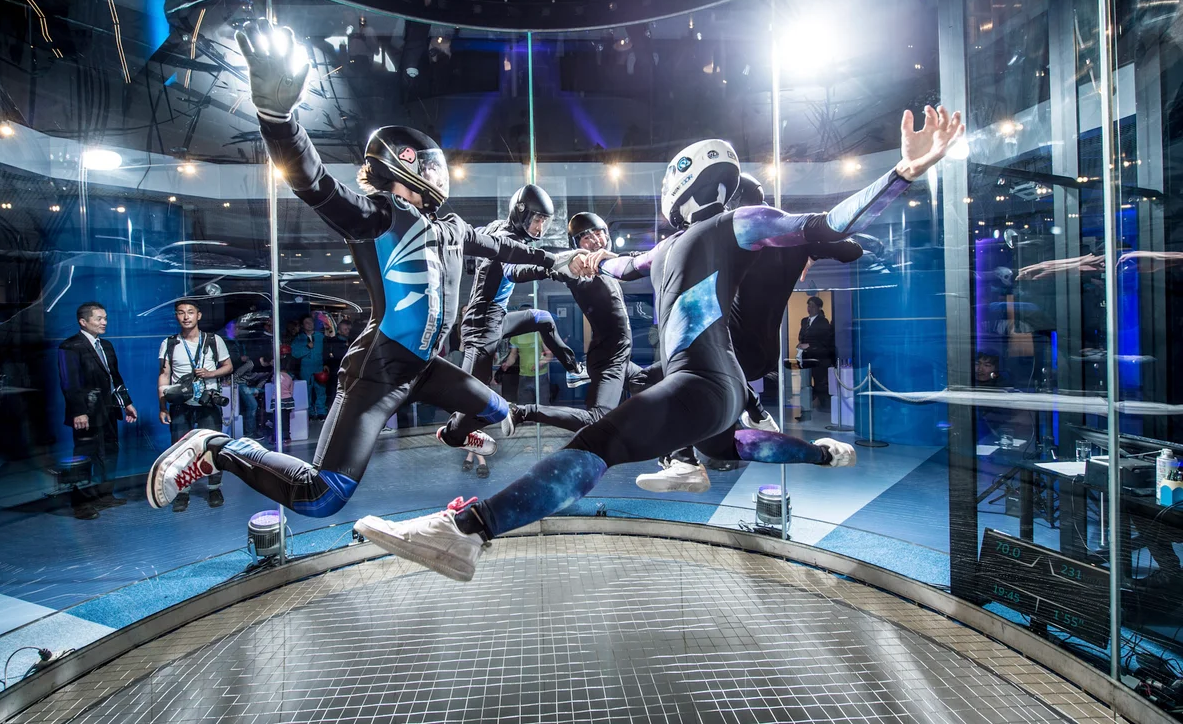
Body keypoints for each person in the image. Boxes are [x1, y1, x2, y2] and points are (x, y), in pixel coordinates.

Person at [355, 104, 964, 581]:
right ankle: (819, 454)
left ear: (682, 184)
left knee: (596, 444)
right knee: (731, 443)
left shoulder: (735, 223)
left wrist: (903, 172)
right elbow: (619, 266)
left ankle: (467, 532)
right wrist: (582, 259)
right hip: (718, 388)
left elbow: (826, 224)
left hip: (701, 381)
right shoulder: (669, 247)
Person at [145, 18, 591, 518]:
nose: (436, 172)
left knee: (499, 411)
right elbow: (313, 182)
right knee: (322, 496)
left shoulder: (449, 226)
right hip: (379, 370)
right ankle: (218, 448)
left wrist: (557, 259)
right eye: (428, 163)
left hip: (423, 366)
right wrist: (278, 118)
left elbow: (503, 247)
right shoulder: (378, 215)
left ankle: (456, 434)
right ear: (404, 164)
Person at [638, 174, 866, 479]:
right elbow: (853, 249)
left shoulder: (735, 238)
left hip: (733, 350)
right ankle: (757, 415)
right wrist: (812, 249)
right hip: (764, 355)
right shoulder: (790, 236)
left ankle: (685, 457)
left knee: (660, 380)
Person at [441, 185, 588, 454]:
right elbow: (514, 270)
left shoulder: (498, 227)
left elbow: (481, 239)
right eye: (537, 220)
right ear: (522, 214)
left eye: (545, 221)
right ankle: (453, 434)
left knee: (543, 319)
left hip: (496, 316)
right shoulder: (507, 239)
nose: (540, 228)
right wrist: (551, 270)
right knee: (476, 398)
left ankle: (575, 371)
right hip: (482, 325)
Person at [502, 212, 644, 435]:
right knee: (597, 420)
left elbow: (642, 263)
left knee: (659, 385)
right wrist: (567, 259)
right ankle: (522, 412)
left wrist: (613, 256)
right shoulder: (578, 269)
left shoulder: (608, 264)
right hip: (610, 358)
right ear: (577, 245)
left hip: (620, 357)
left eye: (598, 234)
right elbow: (551, 263)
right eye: (586, 238)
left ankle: (674, 450)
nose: (595, 241)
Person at [57, 302, 137, 520]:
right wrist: (78, 411)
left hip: (109, 409)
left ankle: (104, 495)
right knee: (85, 457)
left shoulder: (106, 346)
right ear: (83, 322)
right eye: (99, 318)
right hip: (86, 413)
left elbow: (115, 377)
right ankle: (81, 504)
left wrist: (126, 403)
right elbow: (69, 382)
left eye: (105, 318)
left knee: (110, 453)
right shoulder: (70, 346)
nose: (104, 322)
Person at [157, 299, 232, 511]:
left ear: (198, 315)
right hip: (181, 403)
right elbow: (164, 376)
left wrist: (210, 373)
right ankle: (182, 491)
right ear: (176, 316)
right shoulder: (170, 343)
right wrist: (162, 406)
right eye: (181, 312)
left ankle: (214, 488)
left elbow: (228, 366)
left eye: (190, 312)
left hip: (208, 401)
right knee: (179, 450)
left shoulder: (213, 340)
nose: (186, 316)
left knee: (213, 447)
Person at [797, 296, 835, 414]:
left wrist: (809, 345)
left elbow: (825, 342)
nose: (810, 308)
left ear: (819, 308)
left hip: (818, 359)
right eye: (809, 306)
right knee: (805, 384)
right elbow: (801, 336)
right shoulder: (804, 321)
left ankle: (824, 407)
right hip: (805, 358)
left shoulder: (823, 322)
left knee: (820, 383)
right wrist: (801, 344)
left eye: (813, 306)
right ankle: (806, 408)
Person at [225, 320, 261, 438]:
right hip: (235, 379)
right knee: (251, 405)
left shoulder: (239, 342)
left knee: (247, 407)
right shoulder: (227, 343)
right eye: (235, 328)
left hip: (242, 379)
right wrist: (240, 359)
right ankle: (250, 432)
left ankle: (248, 431)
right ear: (228, 330)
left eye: (238, 328)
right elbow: (228, 363)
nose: (237, 330)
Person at [291, 315, 327, 420]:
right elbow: (295, 353)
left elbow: (326, 351)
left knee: (321, 390)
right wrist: (307, 347)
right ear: (303, 325)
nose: (310, 324)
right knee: (307, 391)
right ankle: (310, 412)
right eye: (307, 322)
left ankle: (321, 412)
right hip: (306, 368)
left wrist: (326, 364)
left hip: (319, 366)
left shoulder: (321, 336)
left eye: (311, 322)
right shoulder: (298, 339)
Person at [323, 317, 352, 412]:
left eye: (349, 329)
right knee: (335, 391)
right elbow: (335, 355)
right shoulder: (333, 342)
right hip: (336, 370)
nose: (347, 331)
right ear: (339, 330)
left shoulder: (352, 341)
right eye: (345, 329)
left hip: (350, 371)